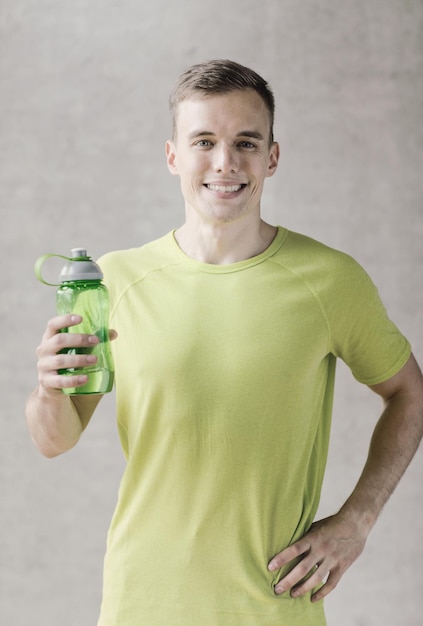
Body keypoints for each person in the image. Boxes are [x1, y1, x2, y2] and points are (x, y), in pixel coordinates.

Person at [26, 59, 423, 626]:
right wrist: (48, 390)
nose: (225, 162)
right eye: (204, 141)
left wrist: (357, 520)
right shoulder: (113, 281)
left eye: (245, 142)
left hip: (275, 606)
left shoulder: (330, 281)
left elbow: (410, 391)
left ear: (272, 157)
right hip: (142, 605)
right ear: (172, 156)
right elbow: (53, 441)